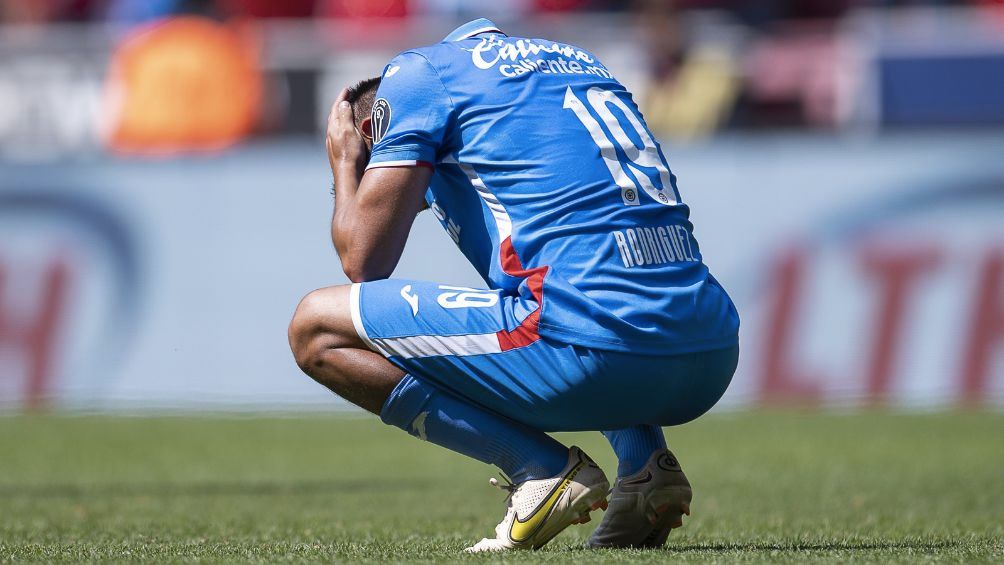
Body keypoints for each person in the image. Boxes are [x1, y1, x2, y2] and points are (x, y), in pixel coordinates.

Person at [288, 18, 740, 552]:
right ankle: (646, 468)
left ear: (373, 134)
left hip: (601, 357)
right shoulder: (579, 63)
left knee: (315, 327)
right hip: (712, 352)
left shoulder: (419, 76)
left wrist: (345, 164)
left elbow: (363, 259)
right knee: (576, 291)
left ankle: (540, 469)